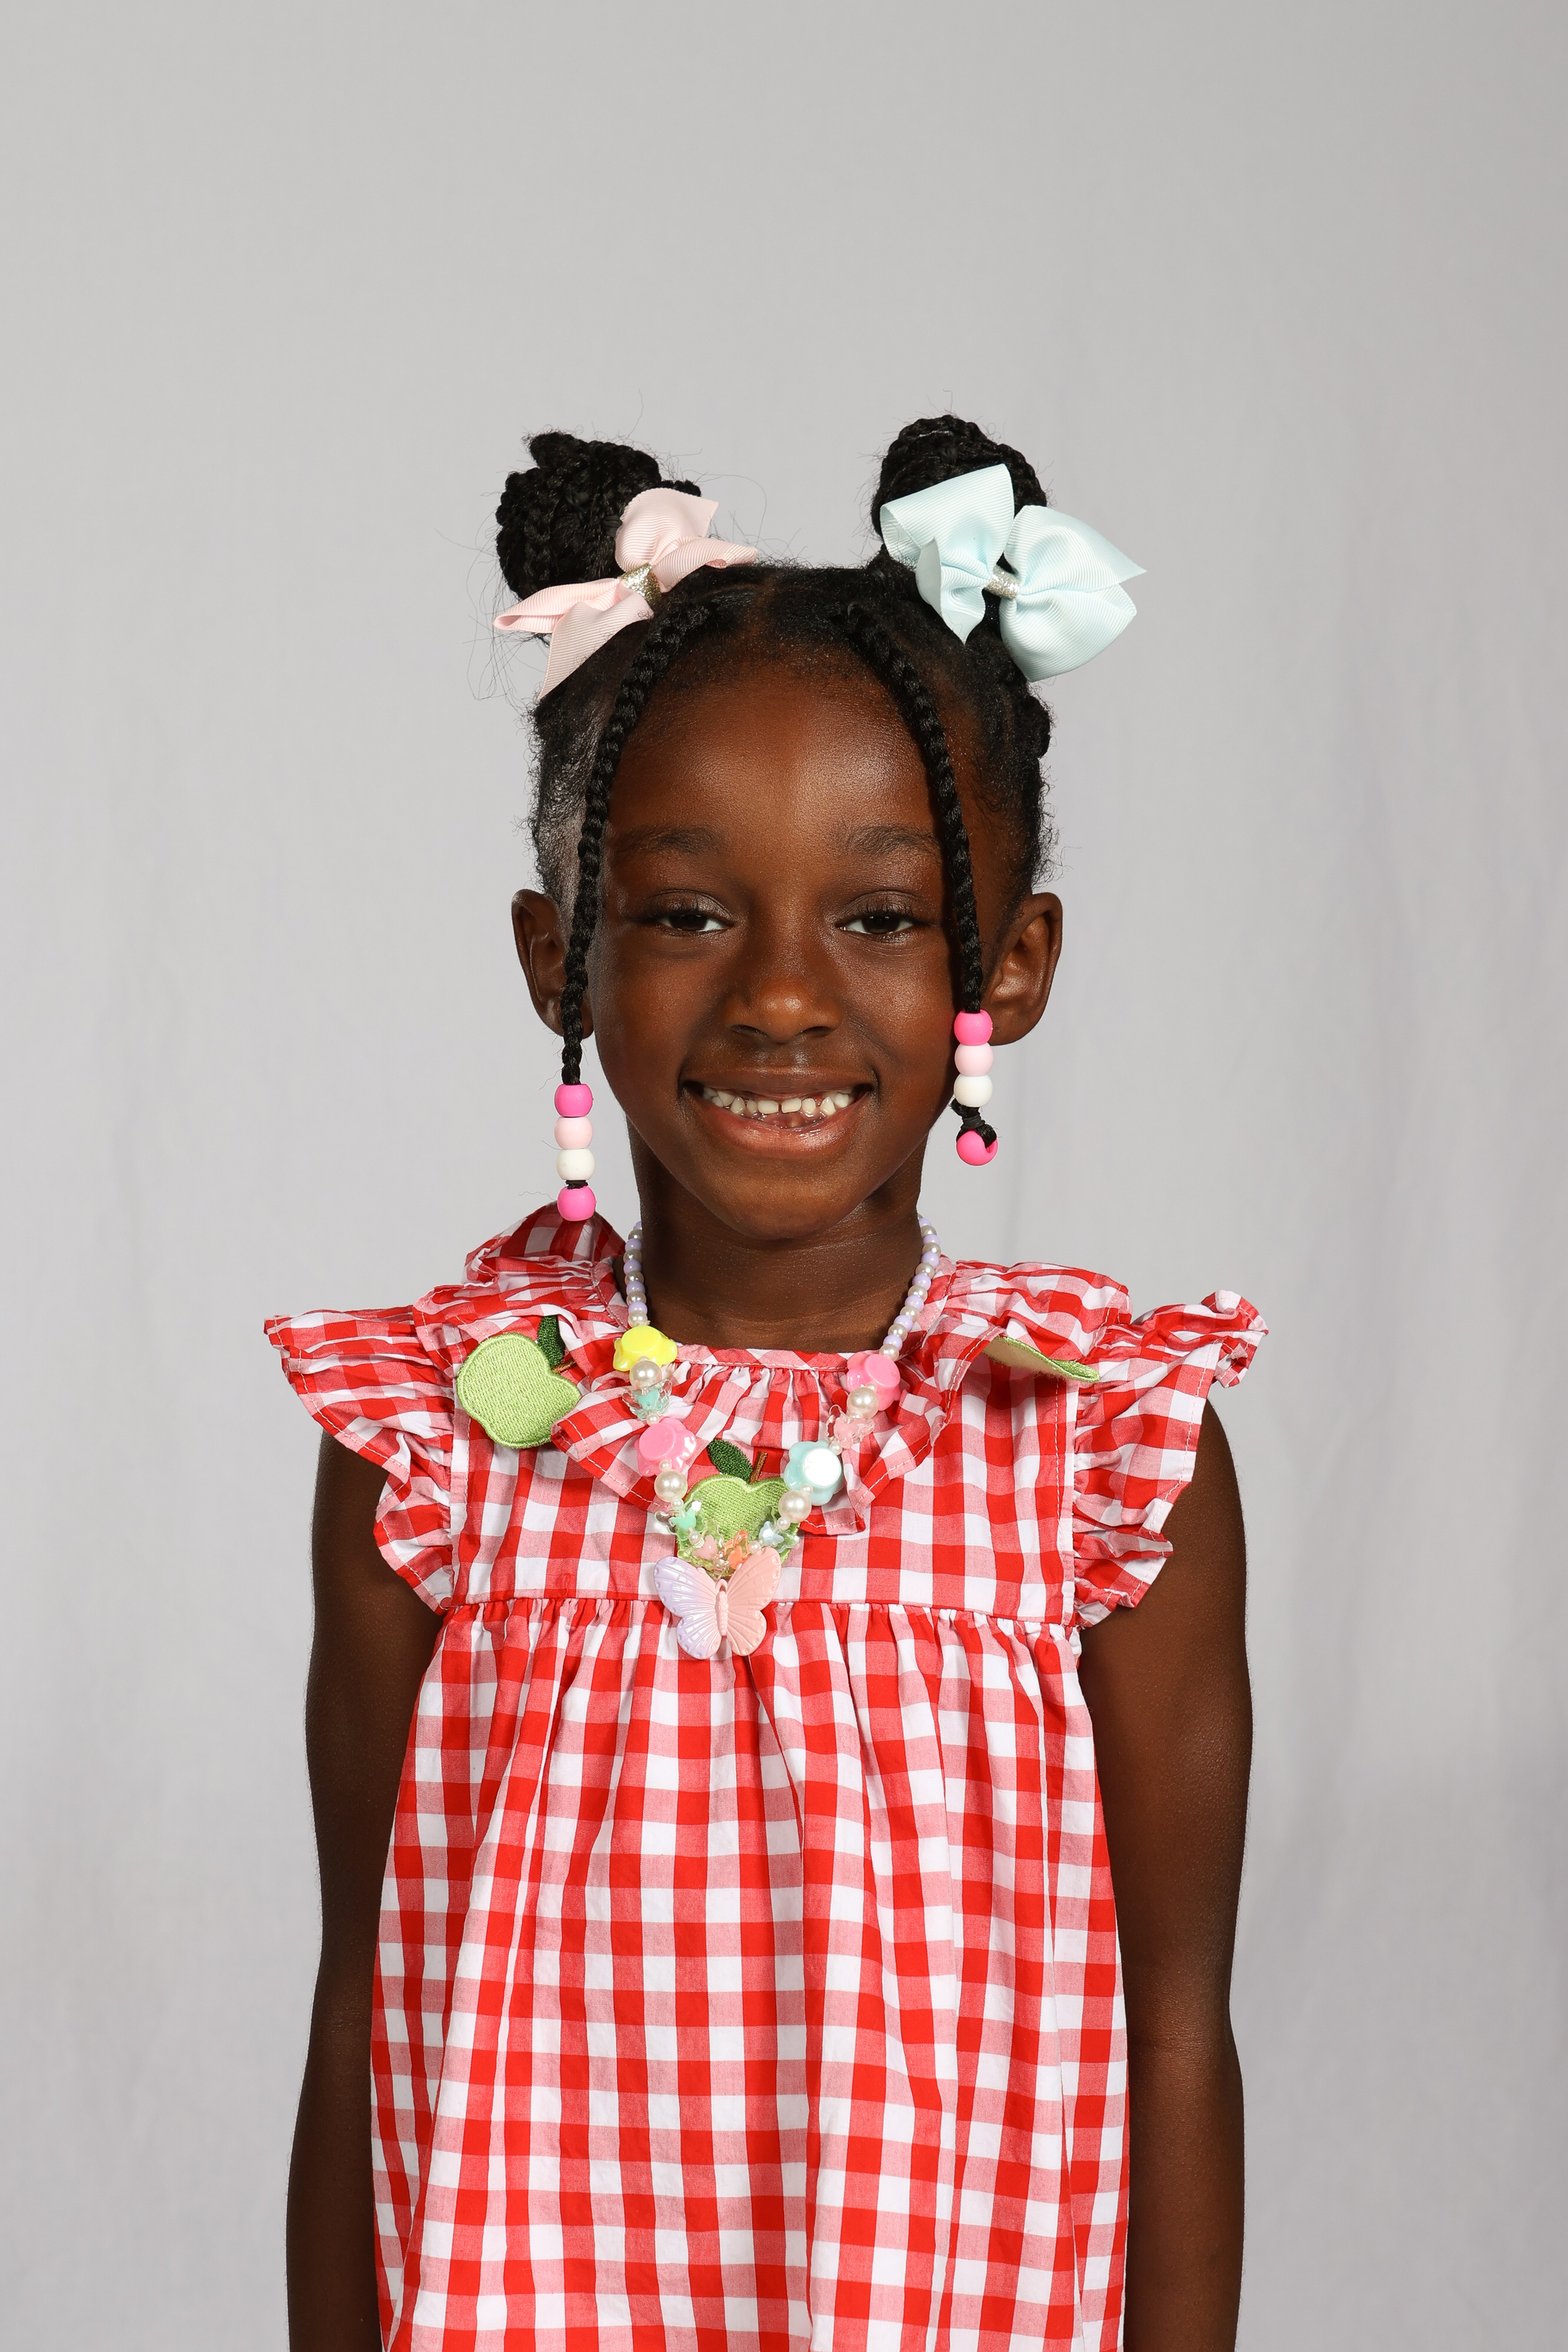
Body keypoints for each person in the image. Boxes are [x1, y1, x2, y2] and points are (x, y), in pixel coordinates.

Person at [269, 414, 1266, 2352]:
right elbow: (361, 2006)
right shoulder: (444, 1433)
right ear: (560, 962)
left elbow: (1175, 2029)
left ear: (1013, 966)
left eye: (880, 918)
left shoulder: (1102, 1448)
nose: (785, 996)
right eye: (686, 914)